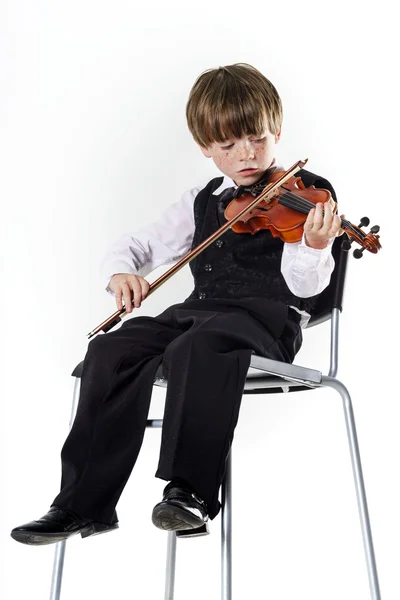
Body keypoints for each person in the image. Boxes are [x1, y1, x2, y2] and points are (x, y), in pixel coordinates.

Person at [11, 63, 343, 545]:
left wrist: (313, 247)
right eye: (227, 146)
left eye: (256, 139)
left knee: (200, 347)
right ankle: (82, 503)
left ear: (277, 131)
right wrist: (122, 271)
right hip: (198, 313)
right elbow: (141, 244)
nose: (246, 155)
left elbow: (305, 286)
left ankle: (189, 495)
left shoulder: (307, 196)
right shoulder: (204, 199)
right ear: (207, 149)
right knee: (112, 349)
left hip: (266, 319)